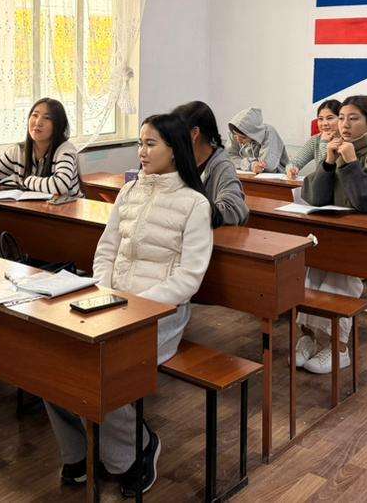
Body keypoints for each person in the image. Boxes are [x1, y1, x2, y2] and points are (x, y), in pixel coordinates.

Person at [44, 114, 213, 497]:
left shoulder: (194, 204)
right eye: (140, 143)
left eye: (151, 144)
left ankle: (135, 451)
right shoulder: (129, 192)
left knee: (103, 367)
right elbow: (106, 250)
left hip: (160, 314)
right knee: (52, 358)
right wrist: (105, 290)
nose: (141, 152)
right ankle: (78, 451)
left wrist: (136, 304)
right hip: (112, 303)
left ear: (175, 150)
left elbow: (189, 278)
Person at [295, 95, 367, 375]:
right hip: (334, 232)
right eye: (342, 117)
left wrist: (351, 163)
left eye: (353, 118)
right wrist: (328, 163)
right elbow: (314, 198)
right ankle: (308, 336)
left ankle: (339, 348)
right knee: (311, 275)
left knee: (339, 279)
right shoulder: (335, 149)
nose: (344, 124)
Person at [172, 100, 249, 227]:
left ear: (194, 134)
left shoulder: (222, 166)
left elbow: (232, 209)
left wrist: (187, 209)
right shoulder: (177, 161)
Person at [0, 98, 82, 198]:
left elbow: (60, 186)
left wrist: (27, 181)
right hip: (35, 206)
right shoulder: (18, 151)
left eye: (47, 118)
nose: (38, 122)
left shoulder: (65, 150)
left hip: (69, 207)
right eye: (35, 115)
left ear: (58, 125)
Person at [286, 99, 342, 180]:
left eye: (330, 118)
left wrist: (324, 142)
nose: (324, 123)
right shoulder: (316, 140)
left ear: (341, 119)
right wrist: (292, 169)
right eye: (320, 119)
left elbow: (329, 171)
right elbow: (294, 162)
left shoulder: (347, 140)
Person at [226, 107, 290, 173]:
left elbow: (267, 166)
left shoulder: (269, 132)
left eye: (243, 138)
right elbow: (228, 158)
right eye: (236, 136)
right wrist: (251, 165)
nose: (238, 140)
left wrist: (243, 163)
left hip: (277, 176)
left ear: (253, 134)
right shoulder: (234, 132)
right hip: (248, 175)